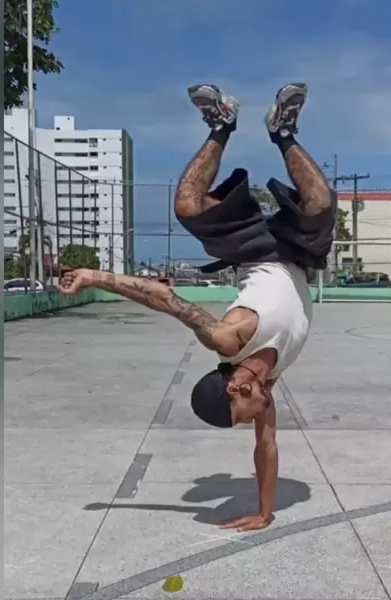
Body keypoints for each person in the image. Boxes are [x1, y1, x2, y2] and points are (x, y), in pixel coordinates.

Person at [59, 83, 335, 531]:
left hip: (253, 252)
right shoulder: (265, 384)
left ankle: (222, 125)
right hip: (300, 254)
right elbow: (266, 448)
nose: (255, 419)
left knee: (187, 205)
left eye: (244, 416)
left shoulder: (228, 338)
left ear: (235, 389)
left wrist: (94, 276)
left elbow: (164, 299)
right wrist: (264, 513)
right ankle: (283, 131)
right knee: (320, 201)